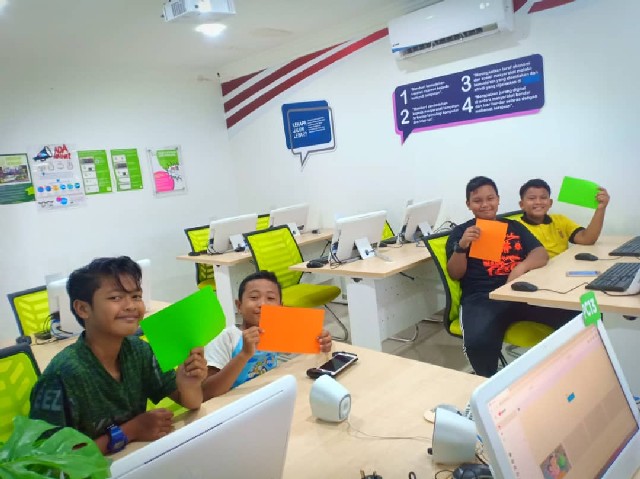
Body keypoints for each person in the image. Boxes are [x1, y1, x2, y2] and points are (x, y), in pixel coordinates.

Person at [29, 256, 208, 455]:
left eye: (136, 296)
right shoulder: (63, 375)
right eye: (116, 298)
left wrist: (189, 384)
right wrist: (131, 431)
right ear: (83, 309)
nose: (131, 306)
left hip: (136, 459)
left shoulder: (138, 350)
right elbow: (48, 460)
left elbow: (191, 403)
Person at [446, 176, 574, 377]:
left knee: (577, 314)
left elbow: (540, 253)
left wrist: (520, 268)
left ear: (498, 199)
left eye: (490, 198)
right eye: (477, 201)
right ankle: (487, 382)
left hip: (519, 291)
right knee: (478, 343)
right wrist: (461, 246)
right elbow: (455, 273)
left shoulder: (513, 226)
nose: (485, 204)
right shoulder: (461, 232)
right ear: (468, 204)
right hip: (483, 298)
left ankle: (568, 370)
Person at [202, 270, 332, 399]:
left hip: (270, 396)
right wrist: (244, 355)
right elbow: (207, 392)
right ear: (239, 306)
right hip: (235, 403)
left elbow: (306, 357)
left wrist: (322, 343)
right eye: (254, 297)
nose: (262, 304)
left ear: (280, 307)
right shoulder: (226, 338)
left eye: (270, 298)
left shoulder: (277, 331)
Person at [518, 178, 610, 258]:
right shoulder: (515, 227)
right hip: (535, 271)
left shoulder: (560, 220)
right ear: (522, 204)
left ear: (550, 203)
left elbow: (586, 239)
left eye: (543, 198)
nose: (538, 202)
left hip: (562, 267)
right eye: (532, 198)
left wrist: (601, 208)